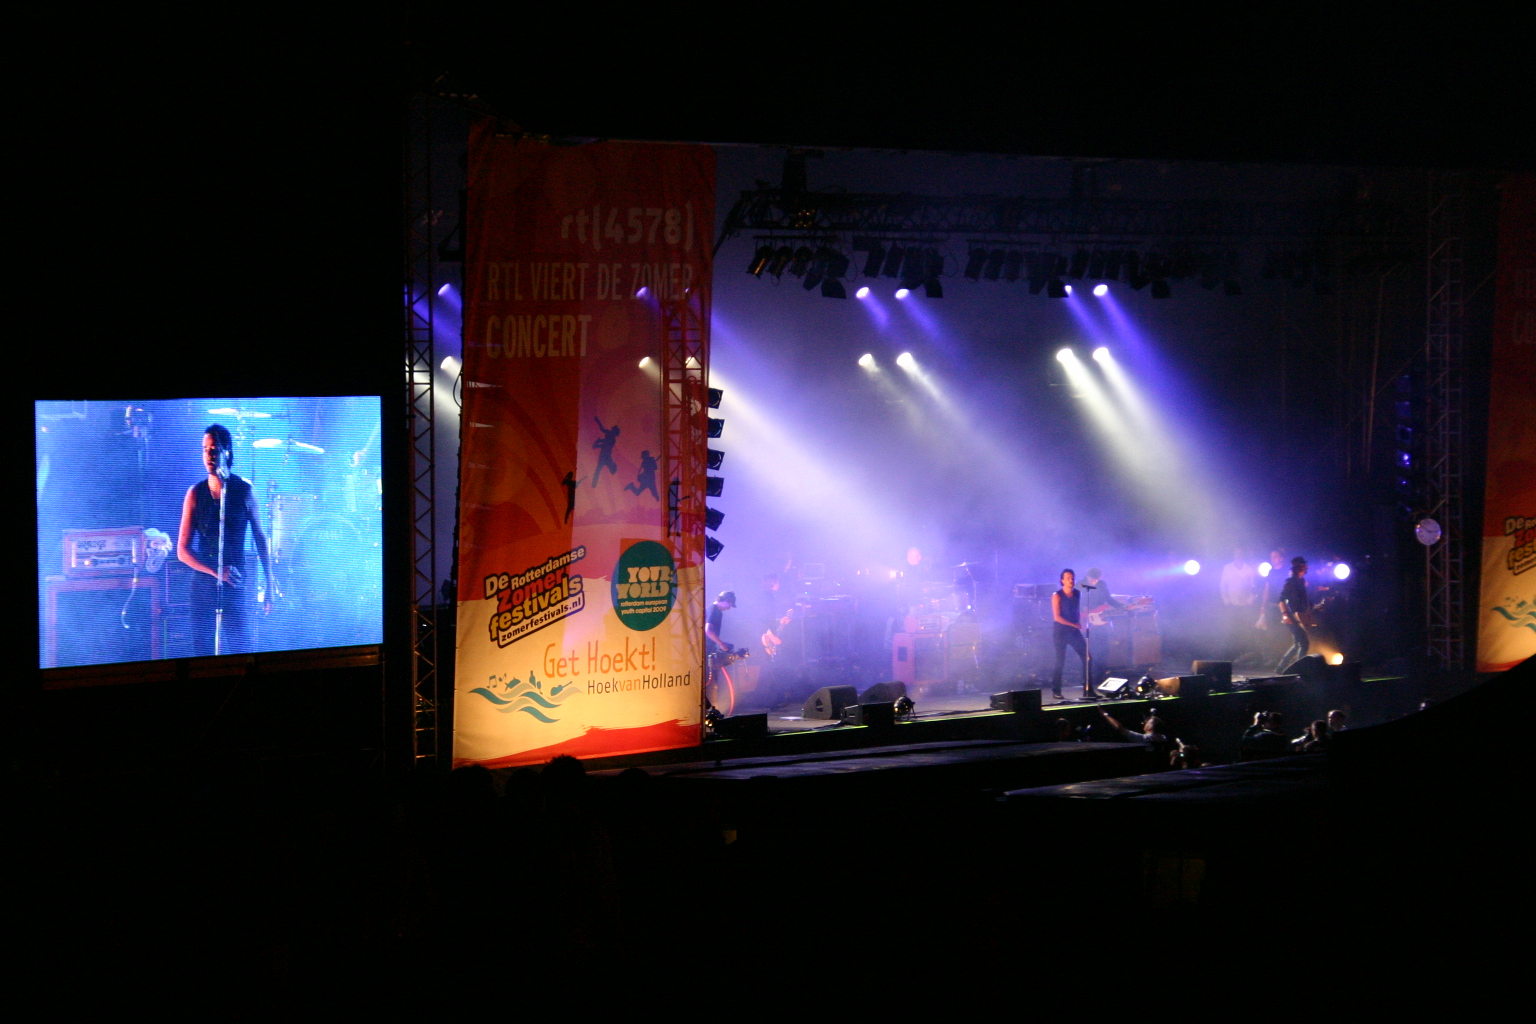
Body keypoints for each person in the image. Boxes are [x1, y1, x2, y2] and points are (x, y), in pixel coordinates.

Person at [176, 424, 276, 656]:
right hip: (203, 585)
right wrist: (215, 571)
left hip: (235, 583)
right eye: (205, 450)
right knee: (203, 652)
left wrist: (269, 585)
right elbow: (182, 550)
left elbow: (261, 540)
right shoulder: (195, 494)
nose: (208, 455)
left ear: (227, 451)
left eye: (214, 449)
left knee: (241, 648)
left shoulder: (244, 491)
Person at [1050, 569, 1088, 700]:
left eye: (1072, 578)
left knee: (1087, 657)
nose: (1071, 580)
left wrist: (1082, 622)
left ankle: (1087, 689)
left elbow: (1077, 611)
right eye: (1068, 578)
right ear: (1062, 580)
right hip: (1061, 632)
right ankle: (1056, 691)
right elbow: (1057, 617)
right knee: (1060, 661)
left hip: (1074, 631)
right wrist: (1073, 624)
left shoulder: (1077, 593)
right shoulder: (1057, 595)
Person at [1220, 547, 1258, 661]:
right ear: (1234, 555)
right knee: (1231, 629)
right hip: (1231, 604)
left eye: (1240, 553)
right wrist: (1226, 601)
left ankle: (1244, 654)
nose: (1238, 555)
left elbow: (1253, 586)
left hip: (1245, 605)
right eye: (1237, 553)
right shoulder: (1227, 568)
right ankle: (1231, 655)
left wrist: (1250, 600)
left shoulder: (1249, 568)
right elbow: (1223, 585)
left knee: (1245, 630)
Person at [1276, 556, 1312, 672]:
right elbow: (1281, 599)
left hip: (1298, 616)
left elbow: (1303, 601)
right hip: (1291, 616)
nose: (1306, 567)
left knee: (1298, 643)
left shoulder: (1301, 581)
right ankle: (1299, 669)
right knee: (1304, 643)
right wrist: (1285, 614)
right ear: (1299, 568)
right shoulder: (1291, 581)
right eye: (1303, 565)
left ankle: (1281, 668)